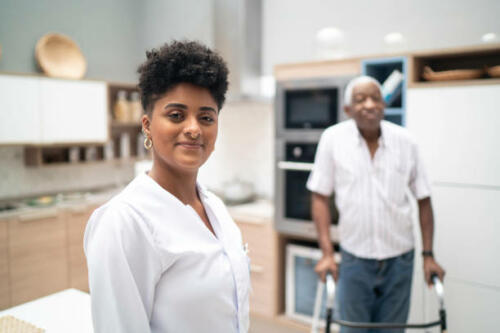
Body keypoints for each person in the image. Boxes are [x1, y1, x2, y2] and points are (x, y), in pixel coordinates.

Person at [84, 40, 250, 333]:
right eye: (176, 115)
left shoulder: (215, 207)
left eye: (206, 117)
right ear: (147, 125)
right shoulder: (124, 222)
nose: (194, 128)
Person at [307, 76, 445, 333]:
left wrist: (428, 255)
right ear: (348, 110)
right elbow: (319, 197)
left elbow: (424, 198)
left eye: (375, 98)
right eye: (360, 100)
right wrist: (327, 253)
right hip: (354, 260)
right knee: (353, 330)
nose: (369, 104)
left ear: (384, 105)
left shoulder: (406, 142)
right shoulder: (332, 139)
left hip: (400, 261)